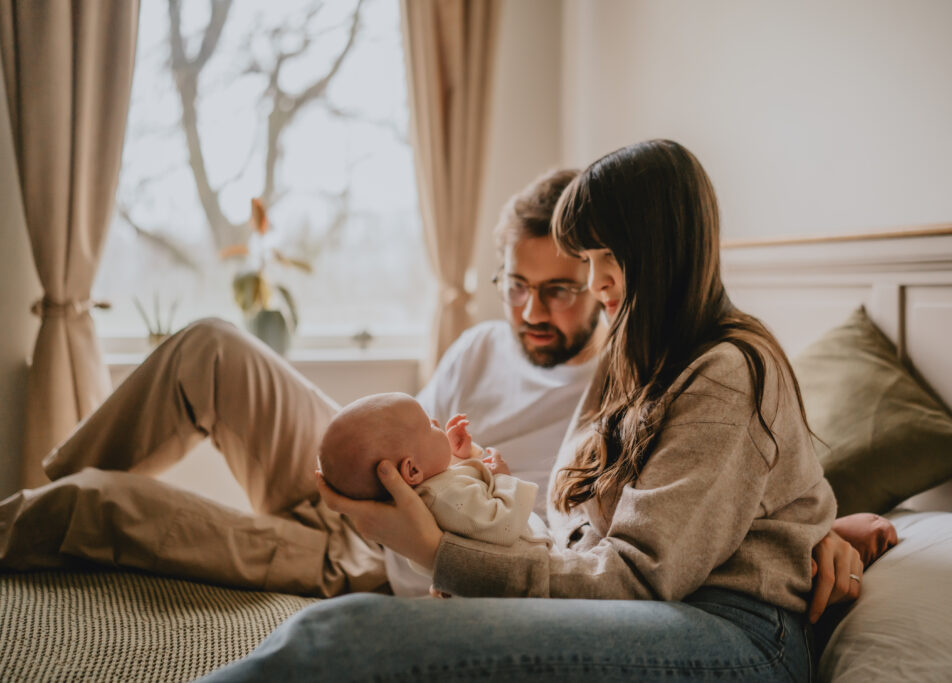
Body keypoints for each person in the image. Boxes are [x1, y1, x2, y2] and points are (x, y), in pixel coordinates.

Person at [0, 167, 880, 614]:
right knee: (207, 347)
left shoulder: (652, 370)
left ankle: (27, 516)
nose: (531, 311)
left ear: (617, 273)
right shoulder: (479, 342)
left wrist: (830, 526)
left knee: (93, 510)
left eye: (564, 287)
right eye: (514, 284)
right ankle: (30, 495)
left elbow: (741, 472)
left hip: (396, 556)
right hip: (367, 494)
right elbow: (387, 440)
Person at [202, 140, 853, 682]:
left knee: (340, 636)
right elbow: (581, 529)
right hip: (659, 615)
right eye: (588, 260)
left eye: (604, 258)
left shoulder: (728, 370)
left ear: (659, 251)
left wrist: (439, 550)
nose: (595, 282)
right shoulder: (632, 364)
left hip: (735, 638)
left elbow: (639, 575)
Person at [318, 393, 549, 577]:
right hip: (539, 559)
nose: (437, 422)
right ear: (412, 470)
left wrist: (462, 456)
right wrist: (503, 478)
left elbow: (461, 492)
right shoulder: (446, 497)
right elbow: (503, 526)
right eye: (429, 426)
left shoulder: (432, 493)